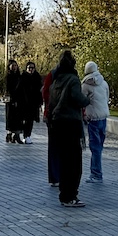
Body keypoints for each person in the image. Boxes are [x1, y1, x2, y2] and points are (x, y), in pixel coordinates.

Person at [46, 50, 88, 207]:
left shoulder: (57, 80)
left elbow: (50, 101)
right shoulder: (73, 80)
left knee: (64, 161)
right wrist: (87, 100)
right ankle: (71, 195)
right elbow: (77, 98)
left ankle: (64, 194)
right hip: (71, 123)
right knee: (74, 162)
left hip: (57, 124)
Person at [82, 60, 111, 182]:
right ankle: (97, 171)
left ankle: (96, 173)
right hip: (103, 116)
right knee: (99, 146)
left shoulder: (85, 85)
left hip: (93, 118)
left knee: (95, 147)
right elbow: (107, 97)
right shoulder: (104, 83)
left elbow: (81, 101)